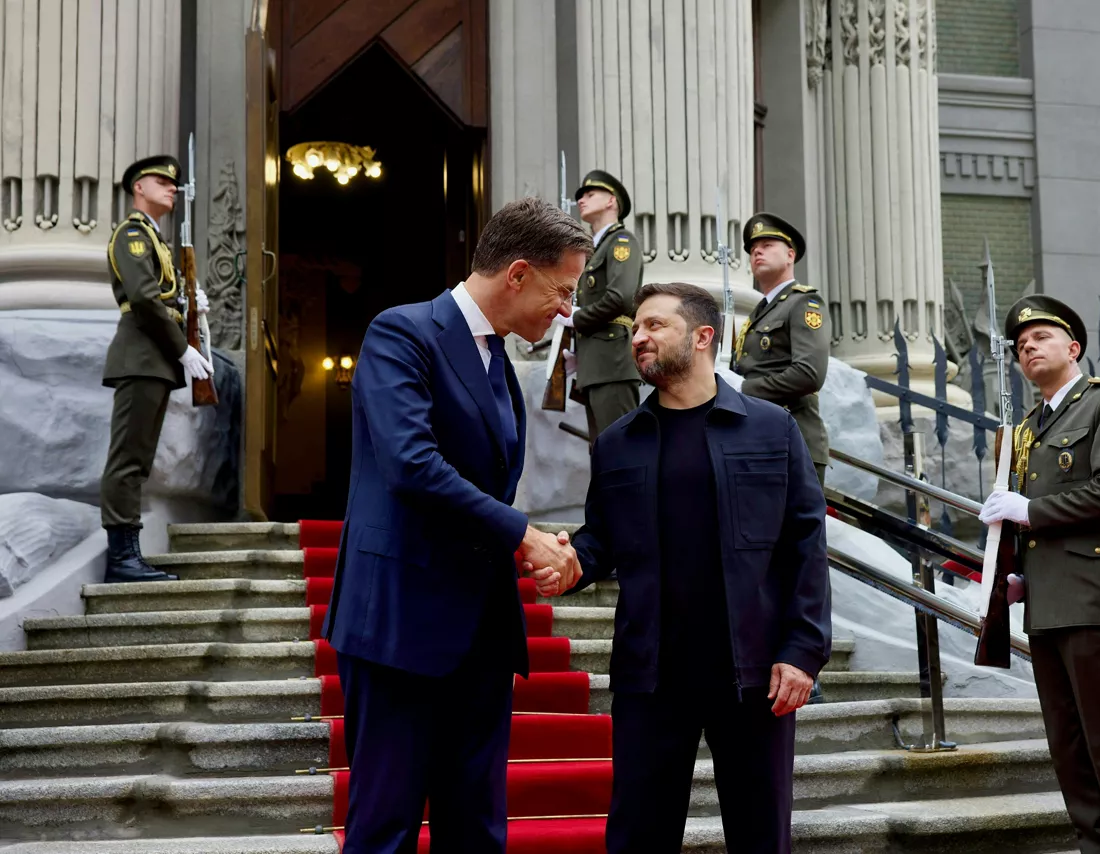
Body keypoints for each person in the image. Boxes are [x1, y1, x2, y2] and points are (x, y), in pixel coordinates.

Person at [322, 197, 590, 854]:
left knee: (477, 830)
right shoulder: (401, 333)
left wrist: (537, 547)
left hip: (479, 634)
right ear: (518, 273)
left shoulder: (499, 359)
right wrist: (519, 531)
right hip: (398, 625)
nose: (567, 310)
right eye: (563, 290)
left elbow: (482, 485)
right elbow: (412, 465)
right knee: (384, 828)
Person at [532, 281, 831, 854]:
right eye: (634, 329)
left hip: (753, 672)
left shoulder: (772, 429)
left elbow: (804, 544)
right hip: (651, 674)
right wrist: (572, 564)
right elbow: (603, 539)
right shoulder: (618, 442)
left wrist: (803, 651)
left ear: (702, 337)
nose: (638, 339)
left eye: (653, 326)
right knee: (639, 834)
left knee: (760, 834)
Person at [978, 295, 1100, 854]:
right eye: (1020, 344)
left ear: (1073, 347)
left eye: (1041, 338)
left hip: (1099, 598)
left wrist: (1028, 511)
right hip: (1049, 603)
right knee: (1069, 747)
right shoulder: (1028, 427)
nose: (1028, 346)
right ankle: (1094, 846)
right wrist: (1022, 577)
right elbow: (1039, 524)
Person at [99, 155, 213, 584]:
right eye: (160, 181)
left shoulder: (156, 241)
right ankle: (122, 557)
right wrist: (182, 347)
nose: (171, 188)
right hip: (143, 354)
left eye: (173, 183)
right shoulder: (132, 234)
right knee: (128, 459)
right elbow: (145, 300)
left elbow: (161, 296)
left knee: (138, 460)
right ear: (137, 188)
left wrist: (188, 306)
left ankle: (128, 554)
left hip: (154, 358)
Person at [733, 213, 830, 486]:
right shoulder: (757, 315)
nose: (757, 251)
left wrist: (743, 388)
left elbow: (808, 374)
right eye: (753, 249)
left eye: (767, 245)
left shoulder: (803, 303)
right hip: (756, 439)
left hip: (793, 441)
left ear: (790, 255)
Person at [554, 169, 644, 441]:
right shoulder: (593, 249)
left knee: (620, 452)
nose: (581, 200)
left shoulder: (621, 242)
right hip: (597, 364)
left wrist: (577, 319)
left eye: (591, 194)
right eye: (581, 196)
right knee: (603, 454)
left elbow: (621, 297)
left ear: (611, 201)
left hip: (613, 364)